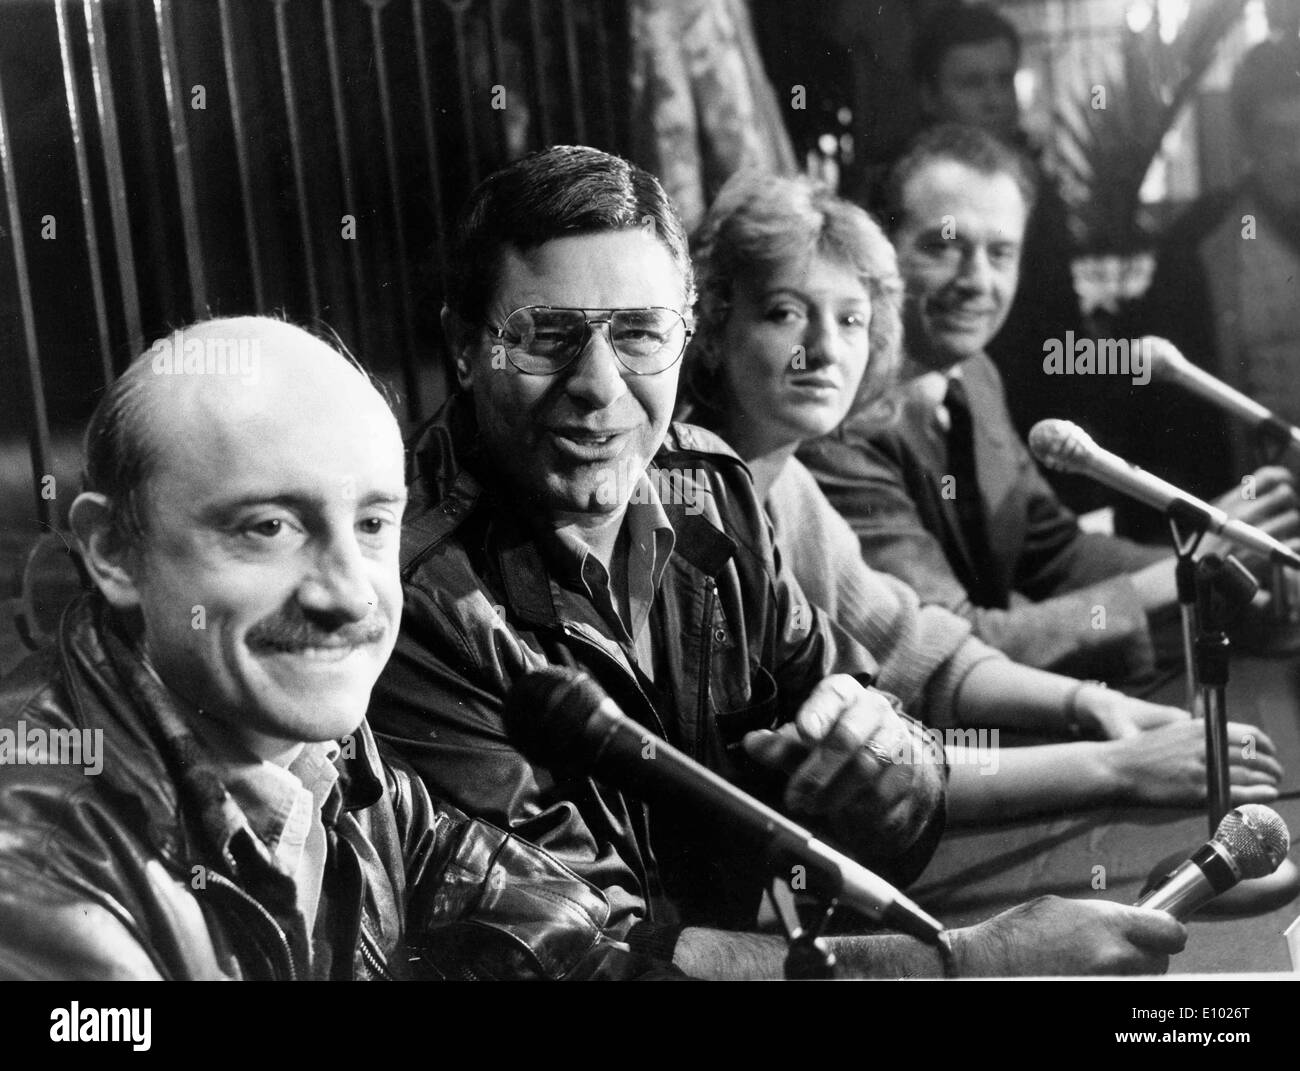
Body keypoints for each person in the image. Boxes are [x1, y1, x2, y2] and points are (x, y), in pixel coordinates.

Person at [370, 144, 1189, 978]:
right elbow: (595, 958)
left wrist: (887, 765)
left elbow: (875, 732)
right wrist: (961, 965)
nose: (601, 385)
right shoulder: (405, 595)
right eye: (547, 336)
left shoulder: (708, 488)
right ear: (466, 346)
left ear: (687, 336)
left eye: (642, 334)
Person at [0, 316, 643, 981]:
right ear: (111, 550)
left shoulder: (316, 750)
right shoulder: (31, 864)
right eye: (270, 526)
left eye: (371, 523)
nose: (349, 595)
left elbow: (571, 941)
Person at [681, 168, 1282, 824]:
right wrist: (1115, 768)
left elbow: (918, 647)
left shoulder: (783, 480)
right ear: (710, 326)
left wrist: (1087, 702)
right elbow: (847, 767)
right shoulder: (698, 493)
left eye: (850, 318)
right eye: (785, 313)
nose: (824, 349)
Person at [798, 124, 1300, 684]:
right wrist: (1184, 569)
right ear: (879, 251)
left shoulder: (976, 376)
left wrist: (1232, 568)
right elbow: (953, 646)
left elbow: (1056, 553)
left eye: (1001, 253)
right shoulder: (838, 420)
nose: (978, 282)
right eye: (944, 247)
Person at [1133, 37, 1300, 501]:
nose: (1296, 158)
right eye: (1278, 137)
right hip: (1259, 507)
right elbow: (1166, 406)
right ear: (1247, 140)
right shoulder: (1201, 243)